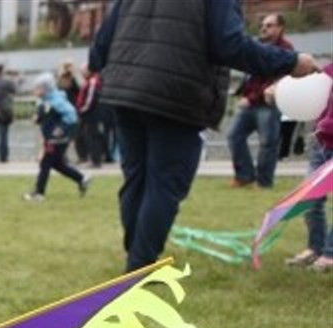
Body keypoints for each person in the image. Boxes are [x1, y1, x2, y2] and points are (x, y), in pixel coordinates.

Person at [90, 0, 316, 272]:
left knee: (136, 180)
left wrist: (116, 74)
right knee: (164, 184)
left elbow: (101, 43)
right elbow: (229, 45)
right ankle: (139, 267)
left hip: (125, 92)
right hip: (176, 95)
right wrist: (291, 62)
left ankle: (137, 257)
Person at [227, 13, 294, 189]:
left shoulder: (286, 49)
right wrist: (242, 93)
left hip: (268, 106)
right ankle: (245, 176)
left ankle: (264, 183)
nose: (264, 28)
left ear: (280, 28)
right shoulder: (257, 46)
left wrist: (251, 98)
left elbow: (274, 79)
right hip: (249, 103)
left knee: (268, 144)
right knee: (234, 136)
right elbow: (250, 76)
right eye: (263, 25)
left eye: (270, 25)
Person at [285, 61, 333, 273]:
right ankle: (316, 247)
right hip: (321, 144)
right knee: (310, 200)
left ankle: (330, 254)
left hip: (325, 137)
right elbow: (310, 86)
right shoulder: (329, 70)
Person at [23, 73, 91, 202]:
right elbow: (44, 116)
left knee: (45, 163)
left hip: (56, 137)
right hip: (53, 136)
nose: (34, 90)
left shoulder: (55, 100)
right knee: (57, 163)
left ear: (45, 88)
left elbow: (71, 116)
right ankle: (82, 178)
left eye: (37, 88)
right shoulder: (48, 100)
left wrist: (61, 129)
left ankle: (39, 193)